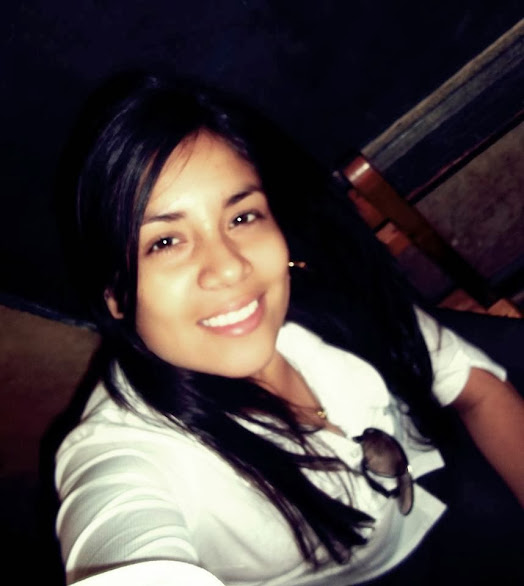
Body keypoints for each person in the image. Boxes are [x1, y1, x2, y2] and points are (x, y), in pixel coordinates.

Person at [54, 72, 524, 586]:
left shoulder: (330, 296)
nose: (229, 267)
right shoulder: (127, 454)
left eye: (242, 217)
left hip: (438, 477)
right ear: (116, 294)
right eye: (165, 242)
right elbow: (119, 535)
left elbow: (476, 388)